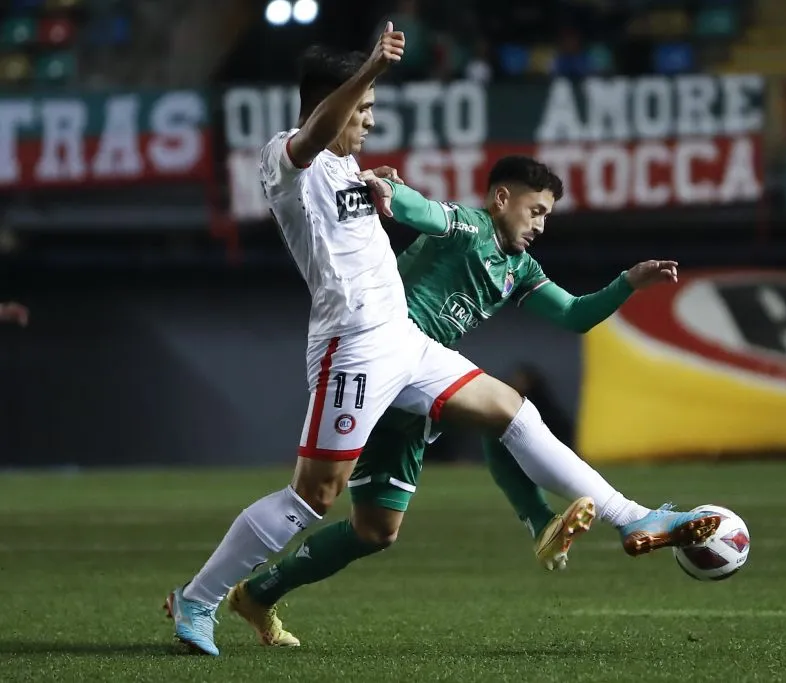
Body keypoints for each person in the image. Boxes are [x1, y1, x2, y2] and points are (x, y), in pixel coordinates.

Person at [164, 30, 718, 657]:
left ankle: (633, 516)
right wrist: (372, 66)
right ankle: (200, 597)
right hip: (353, 346)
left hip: (402, 338)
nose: (369, 123)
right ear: (332, 104)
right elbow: (322, 137)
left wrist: (381, 188)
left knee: (511, 411)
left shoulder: (348, 168)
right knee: (314, 497)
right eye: (365, 110)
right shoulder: (287, 159)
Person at [223, 156, 708, 648]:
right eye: (535, 210)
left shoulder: (519, 267)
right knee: (508, 413)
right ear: (501, 199)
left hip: (413, 387)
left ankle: (258, 594)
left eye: (547, 216)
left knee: (375, 531)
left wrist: (626, 282)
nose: (541, 225)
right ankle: (624, 516)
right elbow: (427, 212)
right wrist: (395, 195)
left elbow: (574, 315)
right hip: (379, 364)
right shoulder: (467, 226)